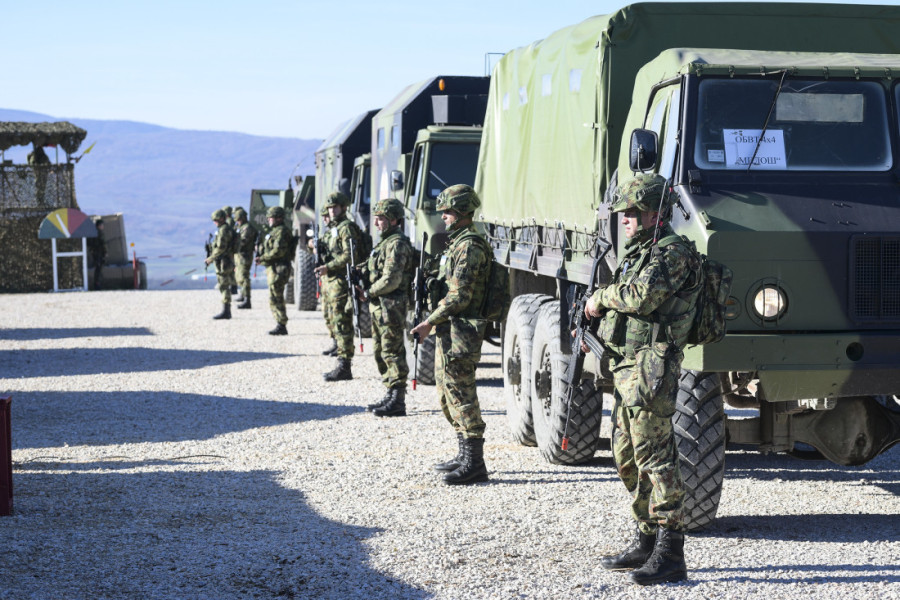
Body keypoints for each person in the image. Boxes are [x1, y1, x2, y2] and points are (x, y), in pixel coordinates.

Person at [583, 173, 699, 585]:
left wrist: (599, 298)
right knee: (626, 457)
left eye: (633, 212)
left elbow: (639, 297)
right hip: (628, 367)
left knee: (656, 459)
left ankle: (671, 553)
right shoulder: (638, 252)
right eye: (624, 212)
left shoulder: (672, 253)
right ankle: (646, 539)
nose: (625, 219)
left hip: (652, 369)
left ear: (655, 213)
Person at [409, 184, 491, 485]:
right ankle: (463, 454)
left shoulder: (469, 246)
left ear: (462, 212)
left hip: (463, 331)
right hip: (451, 328)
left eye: (448, 211)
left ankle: (475, 463)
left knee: (461, 393)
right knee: (447, 394)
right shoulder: (456, 244)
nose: (443, 216)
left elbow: (459, 297)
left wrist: (429, 322)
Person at [359, 198, 414, 417]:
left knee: (392, 351)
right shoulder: (385, 243)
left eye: (380, 219)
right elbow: (375, 266)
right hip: (380, 306)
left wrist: (370, 292)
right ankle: (390, 391)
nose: (376, 223)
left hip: (390, 305)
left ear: (393, 220)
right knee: (381, 351)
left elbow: (391, 278)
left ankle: (398, 400)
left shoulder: (397, 243)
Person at [314, 191, 363, 381]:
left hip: (340, 281)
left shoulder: (346, 228)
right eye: (329, 208)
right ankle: (340, 354)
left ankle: (345, 365)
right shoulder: (333, 228)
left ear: (343, 208)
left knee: (342, 322)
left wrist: (329, 266)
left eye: (334, 207)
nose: (331, 211)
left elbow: (350, 256)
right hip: (329, 281)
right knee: (333, 320)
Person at [255, 206, 293, 335]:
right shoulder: (274, 231)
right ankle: (279, 322)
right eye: (269, 217)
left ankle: (281, 324)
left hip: (280, 268)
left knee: (277, 296)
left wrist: (263, 258)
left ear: (279, 218)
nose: (269, 220)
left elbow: (278, 251)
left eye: (271, 217)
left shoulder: (281, 231)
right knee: (273, 297)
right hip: (274, 267)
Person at [314, 205, 338, 356]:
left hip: (336, 279)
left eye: (326, 216)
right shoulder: (329, 233)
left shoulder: (339, 231)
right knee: (327, 314)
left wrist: (327, 267)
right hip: (327, 279)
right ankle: (335, 342)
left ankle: (341, 346)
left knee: (337, 316)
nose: (324, 219)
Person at [204, 209, 236, 320]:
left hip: (224, 261)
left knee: (224, 285)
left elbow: (221, 248)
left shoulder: (224, 230)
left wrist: (210, 258)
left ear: (222, 218)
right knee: (223, 285)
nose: (215, 222)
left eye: (217, 220)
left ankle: (226, 311)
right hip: (223, 261)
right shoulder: (224, 229)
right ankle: (226, 310)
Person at [233, 207, 258, 309]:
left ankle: (247, 300)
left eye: (239, 220)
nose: (237, 222)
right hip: (239, 256)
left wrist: (232, 245)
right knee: (239, 276)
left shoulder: (247, 228)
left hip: (245, 256)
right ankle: (243, 295)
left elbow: (243, 242)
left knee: (244, 277)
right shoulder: (240, 227)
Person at [88, 218, 107, 290]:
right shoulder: (97, 233)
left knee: (99, 269)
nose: (103, 226)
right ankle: (97, 284)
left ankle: (98, 284)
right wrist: (104, 252)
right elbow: (102, 244)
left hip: (97, 253)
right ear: (98, 226)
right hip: (97, 253)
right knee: (98, 269)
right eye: (102, 225)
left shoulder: (96, 233)